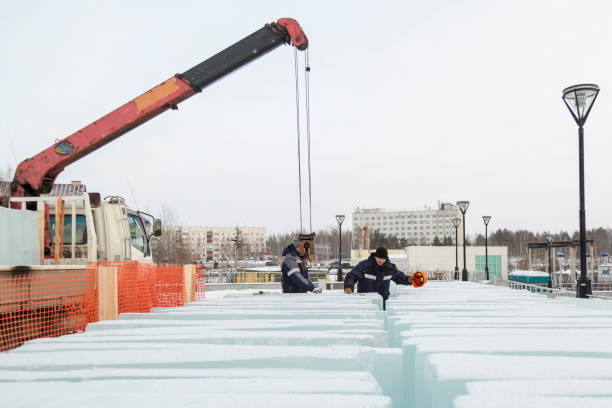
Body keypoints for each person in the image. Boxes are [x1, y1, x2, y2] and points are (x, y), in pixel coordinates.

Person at [344, 247, 412, 308]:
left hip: (383, 302)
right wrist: (349, 286)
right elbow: (352, 275)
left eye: (383, 259)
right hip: (366, 302)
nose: (381, 260)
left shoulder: (390, 268)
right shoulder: (364, 266)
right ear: (375, 256)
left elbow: (399, 276)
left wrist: (408, 280)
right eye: (379, 258)